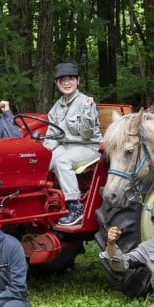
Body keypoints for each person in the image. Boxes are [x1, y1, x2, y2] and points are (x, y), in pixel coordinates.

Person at [42, 62, 101, 225]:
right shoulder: (57, 107)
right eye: (62, 80)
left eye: (70, 79)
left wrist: (89, 111)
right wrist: (43, 154)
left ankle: (75, 205)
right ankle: (51, 201)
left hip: (88, 146)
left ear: (78, 81)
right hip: (65, 146)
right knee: (42, 163)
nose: (66, 83)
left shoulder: (86, 102)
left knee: (62, 162)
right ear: (57, 83)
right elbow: (52, 136)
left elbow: (87, 134)